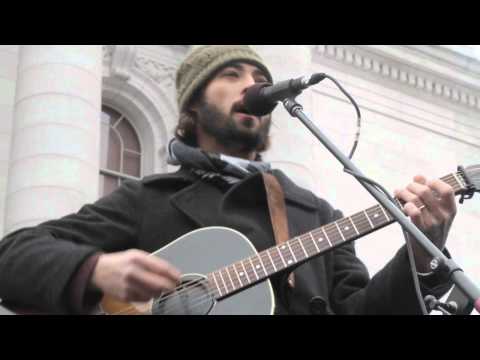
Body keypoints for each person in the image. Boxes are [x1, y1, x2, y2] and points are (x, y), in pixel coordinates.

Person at [0, 45, 457, 315]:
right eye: (232, 74)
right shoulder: (149, 199)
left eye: (261, 78)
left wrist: (421, 255)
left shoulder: (313, 213)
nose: (253, 85)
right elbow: (13, 258)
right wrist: (97, 269)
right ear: (192, 107)